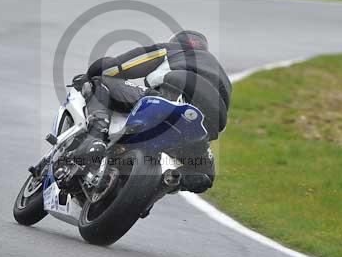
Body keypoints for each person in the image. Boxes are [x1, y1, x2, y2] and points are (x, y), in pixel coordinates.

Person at [71, 30, 231, 193]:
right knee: (203, 176)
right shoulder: (223, 76)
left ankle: (96, 137)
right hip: (201, 130)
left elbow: (120, 66)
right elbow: (221, 126)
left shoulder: (175, 50)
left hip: (168, 102)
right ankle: (164, 183)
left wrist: (91, 73)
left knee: (101, 82)